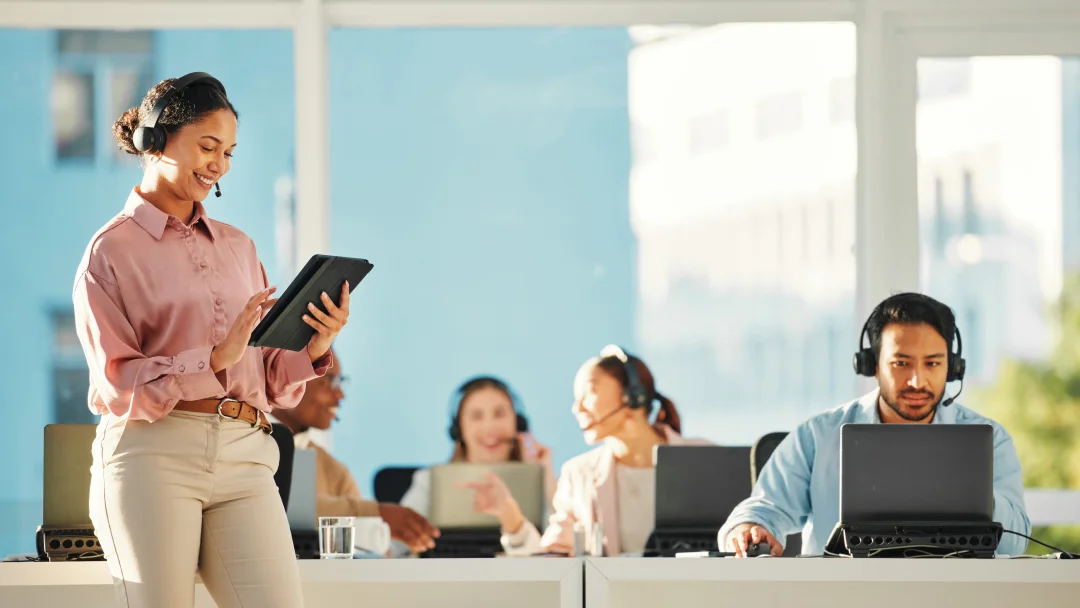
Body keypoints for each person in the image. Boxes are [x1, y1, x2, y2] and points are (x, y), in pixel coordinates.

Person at [74, 73, 348, 608]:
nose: (219, 164)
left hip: (246, 456)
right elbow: (117, 384)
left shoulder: (238, 247)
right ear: (157, 140)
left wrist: (315, 348)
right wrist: (213, 359)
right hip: (153, 456)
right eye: (207, 146)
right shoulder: (109, 253)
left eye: (228, 151)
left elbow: (268, 377)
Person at [718, 292, 1030, 557]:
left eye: (933, 363)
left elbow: (1016, 542)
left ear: (952, 367)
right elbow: (761, 511)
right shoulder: (818, 436)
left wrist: (964, 492)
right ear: (872, 366)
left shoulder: (990, 440)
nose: (917, 380)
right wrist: (749, 529)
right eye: (900, 363)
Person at [460, 345, 703, 556]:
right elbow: (552, 562)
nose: (577, 408)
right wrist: (510, 517)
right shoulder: (578, 475)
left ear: (633, 395)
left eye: (588, 392)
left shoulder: (703, 460)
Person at [269, 349, 440, 553]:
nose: (340, 394)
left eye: (341, 383)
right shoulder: (244, 441)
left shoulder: (334, 471)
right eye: (329, 381)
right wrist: (375, 513)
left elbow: (365, 559)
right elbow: (270, 509)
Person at [395, 376, 556, 555]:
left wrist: (545, 473)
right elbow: (392, 549)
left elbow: (561, 549)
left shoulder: (540, 481)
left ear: (517, 424)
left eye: (499, 414)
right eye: (476, 416)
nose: (489, 426)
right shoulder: (429, 481)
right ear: (459, 430)